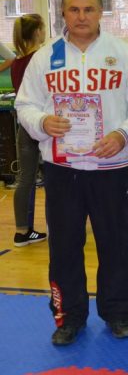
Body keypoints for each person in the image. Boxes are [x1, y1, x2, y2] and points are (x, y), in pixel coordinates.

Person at [15, 0, 128, 346]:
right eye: (74, 9)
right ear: (63, 13)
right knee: (64, 247)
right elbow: (25, 106)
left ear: (100, 12)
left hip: (111, 167)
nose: (81, 17)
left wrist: (123, 134)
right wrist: (42, 122)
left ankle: (118, 313)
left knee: (115, 245)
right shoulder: (44, 58)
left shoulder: (124, 54)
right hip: (62, 169)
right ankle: (68, 316)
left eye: (88, 9)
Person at [10, 14, 48, 247]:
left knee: (26, 178)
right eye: (43, 28)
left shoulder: (17, 61)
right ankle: (58, 226)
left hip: (25, 126)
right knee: (53, 175)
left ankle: (22, 231)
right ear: (37, 32)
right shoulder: (39, 59)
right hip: (42, 124)